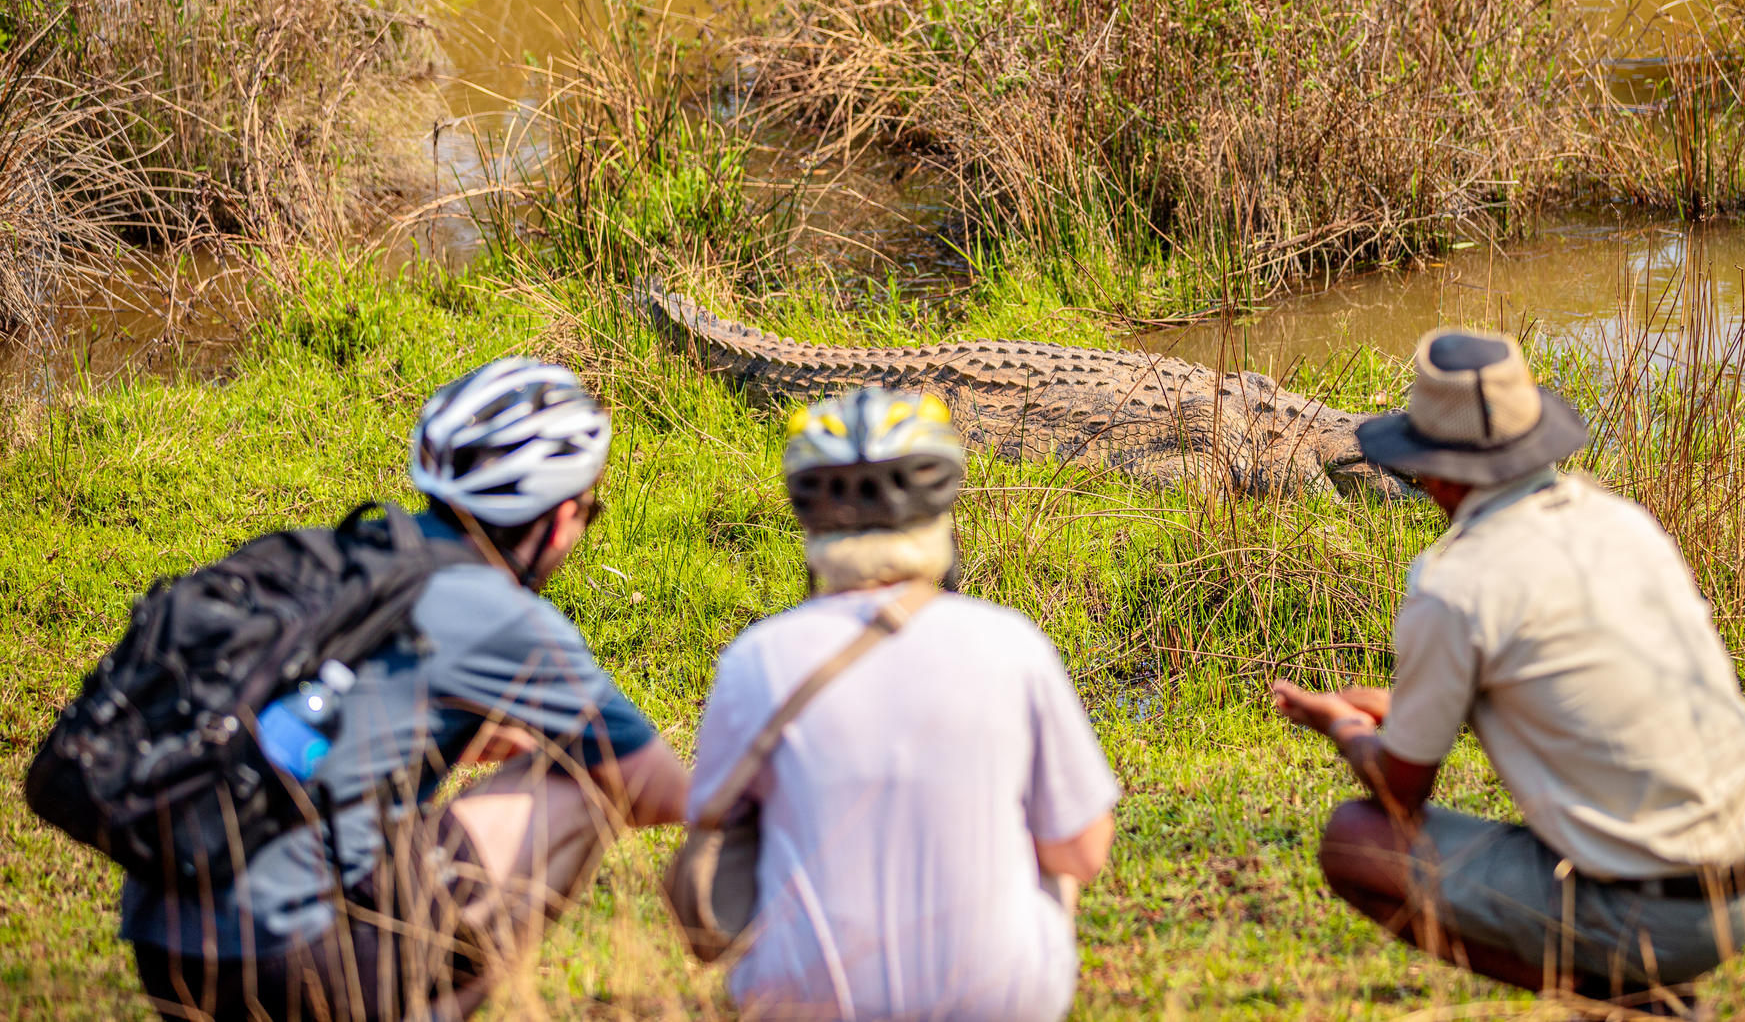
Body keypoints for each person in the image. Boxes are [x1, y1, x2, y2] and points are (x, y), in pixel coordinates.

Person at [123, 358, 692, 1021]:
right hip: (294, 966)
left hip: (165, 950)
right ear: (563, 517)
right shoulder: (508, 617)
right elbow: (660, 792)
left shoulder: (344, 551)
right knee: (585, 784)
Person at [1272, 329, 1745, 1012]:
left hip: (1670, 917)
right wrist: (1400, 706)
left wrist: (1343, 725)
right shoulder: (1622, 519)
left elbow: (1401, 795)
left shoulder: (1452, 582)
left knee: (1355, 841)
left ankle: (1633, 1004)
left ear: (1436, 470)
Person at [676, 387, 1119, 1020]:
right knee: (1057, 852)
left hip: (803, 1002)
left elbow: (712, 829)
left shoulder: (754, 658)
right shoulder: (1011, 643)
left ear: (810, 518)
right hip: (991, 1001)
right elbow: (1084, 852)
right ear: (941, 508)